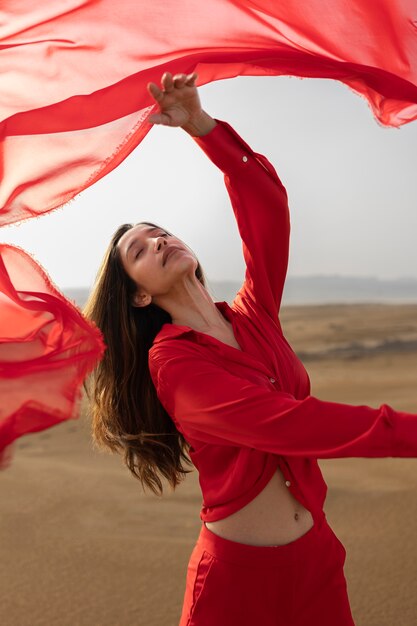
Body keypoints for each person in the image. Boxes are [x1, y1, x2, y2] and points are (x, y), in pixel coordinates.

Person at [83, 71, 417, 626]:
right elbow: (286, 424)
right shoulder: (172, 363)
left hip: (317, 564)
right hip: (237, 586)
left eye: (160, 231)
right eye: (140, 249)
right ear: (139, 293)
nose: (159, 241)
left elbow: (267, 205)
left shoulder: (254, 315)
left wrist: (202, 126)